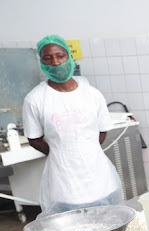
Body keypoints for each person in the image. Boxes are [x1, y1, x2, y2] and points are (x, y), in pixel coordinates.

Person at [22, 35, 123, 217]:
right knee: (72, 229)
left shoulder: (92, 94)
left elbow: (102, 131)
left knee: (109, 222)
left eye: (60, 56)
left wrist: (86, 150)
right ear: (42, 63)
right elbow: (34, 139)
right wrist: (61, 153)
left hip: (99, 176)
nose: (55, 62)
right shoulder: (35, 99)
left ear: (69, 56)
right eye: (48, 58)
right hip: (64, 181)